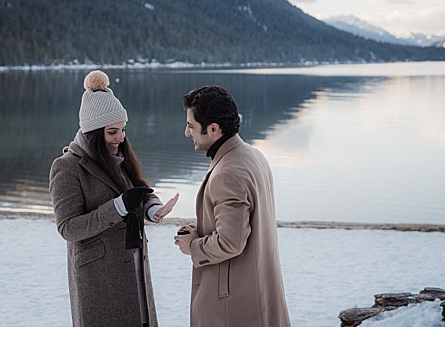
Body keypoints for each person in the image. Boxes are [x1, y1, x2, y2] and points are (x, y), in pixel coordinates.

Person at [49, 71, 179, 326]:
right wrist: (118, 207)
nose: (120, 138)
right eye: (112, 132)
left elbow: (139, 191)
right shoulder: (66, 168)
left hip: (135, 267)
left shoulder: (118, 155)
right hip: (99, 279)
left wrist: (153, 209)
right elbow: (68, 228)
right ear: (93, 133)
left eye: (122, 130)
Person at [176, 85, 290, 327]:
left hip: (232, 306)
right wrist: (203, 226)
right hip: (258, 291)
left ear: (214, 129)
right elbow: (244, 221)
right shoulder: (251, 155)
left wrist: (193, 246)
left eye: (191, 126)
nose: (187, 133)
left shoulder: (227, 172)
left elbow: (231, 241)